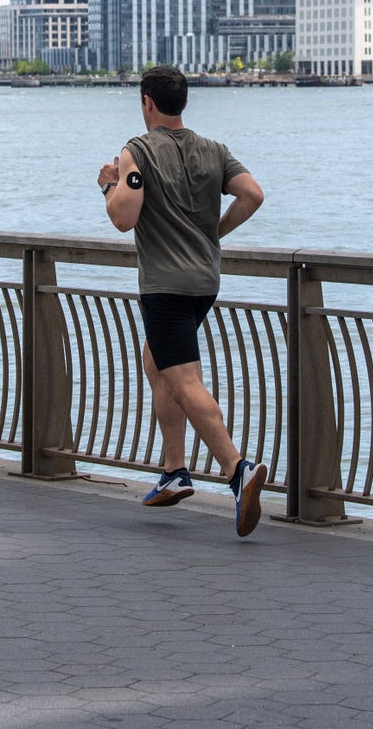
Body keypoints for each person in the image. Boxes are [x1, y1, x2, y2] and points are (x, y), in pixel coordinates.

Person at [97, 65, 267, 537]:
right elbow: (252, 194)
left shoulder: (139, 150)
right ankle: (174, 470)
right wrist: (213, 233)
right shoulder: (214, 150)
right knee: (157, 362)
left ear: (147, 102)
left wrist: (109, 183)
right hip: (203, 281)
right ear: (183, 102)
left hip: (165, 285)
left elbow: (124, 220)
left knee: (184, 378)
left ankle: (238, 470)